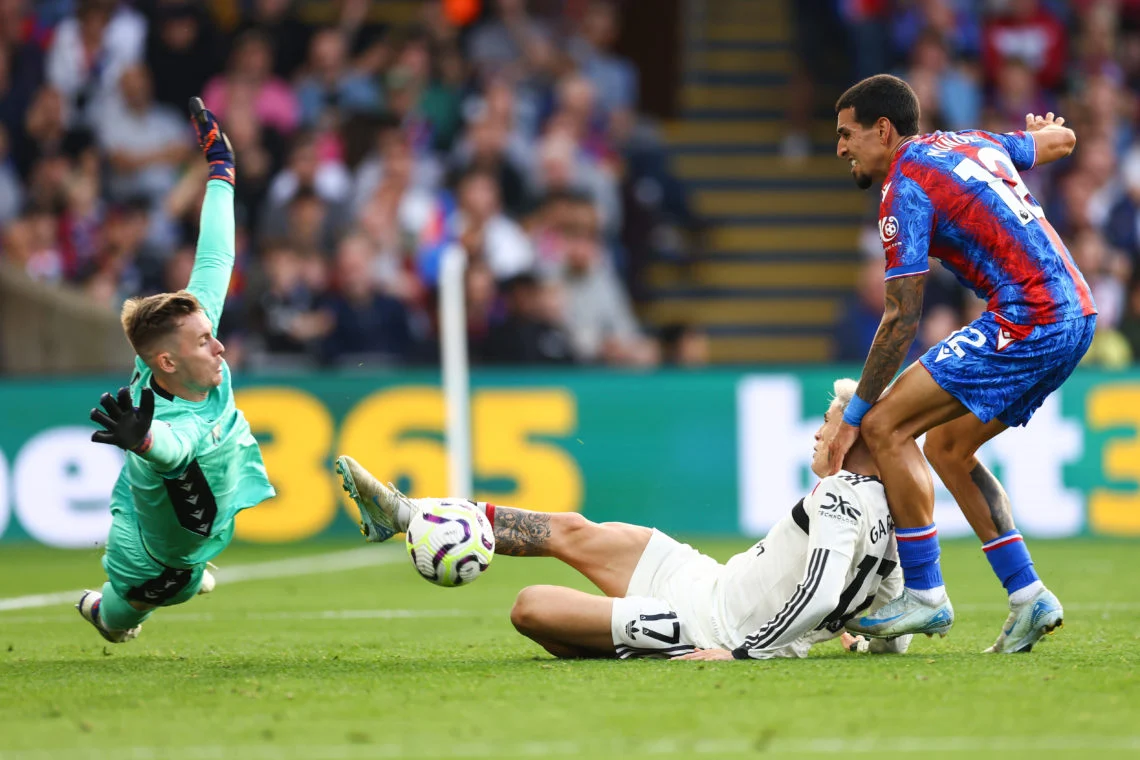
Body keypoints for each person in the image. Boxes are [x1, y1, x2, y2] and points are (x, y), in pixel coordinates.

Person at [334, 379, 911, 661]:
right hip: (709, 580)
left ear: (855, 433)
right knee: (574, 529)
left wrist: (739, 653)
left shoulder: (841, 493)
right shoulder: (884, 512)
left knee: (530, 607)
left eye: (830, 418)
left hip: (706, 627)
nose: (818, 429)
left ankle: (639, 643)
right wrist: (857, 640)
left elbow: (817, 593)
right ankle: (412, 516)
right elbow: (891, 621)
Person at [829, 74, 1094, 652]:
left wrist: (854, 417)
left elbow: (901, 317)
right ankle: (1028, 597)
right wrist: (1052, 131)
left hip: (1032, 315)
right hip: (1078, 312)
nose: (841, 147)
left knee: (883, 425)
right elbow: (1060, 143)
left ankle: (924, 593)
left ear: (883, 129)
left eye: (847, 134)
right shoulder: (971, 142)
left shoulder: (903, 187)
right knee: (947, 446)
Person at [77, 98, 275, 643]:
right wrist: (143, 442)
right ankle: (105, 609)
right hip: (155, 552)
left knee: (191, 562)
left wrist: (220, 170)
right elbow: (174, 447)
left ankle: (185, 574)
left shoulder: (187, 348)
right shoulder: (163, 415)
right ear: (167, 362)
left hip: (186, 503)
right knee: (127, 614)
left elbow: (215, 259)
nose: (220, 347)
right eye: (205, 341)